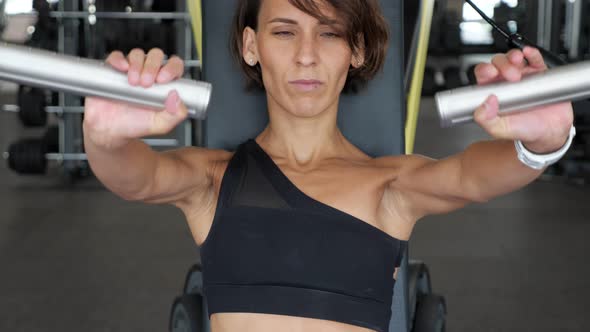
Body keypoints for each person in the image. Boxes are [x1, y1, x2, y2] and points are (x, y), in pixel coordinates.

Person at [82, 0, 574, 331]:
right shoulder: (214, 180)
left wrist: (544, 140)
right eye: (284, 32)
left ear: (355, 51)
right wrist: (102, 137)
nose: (306, 57)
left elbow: (474, 179)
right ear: (252, 46)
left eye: (330, 34)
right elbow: (137, 177)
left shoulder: (389, 186)